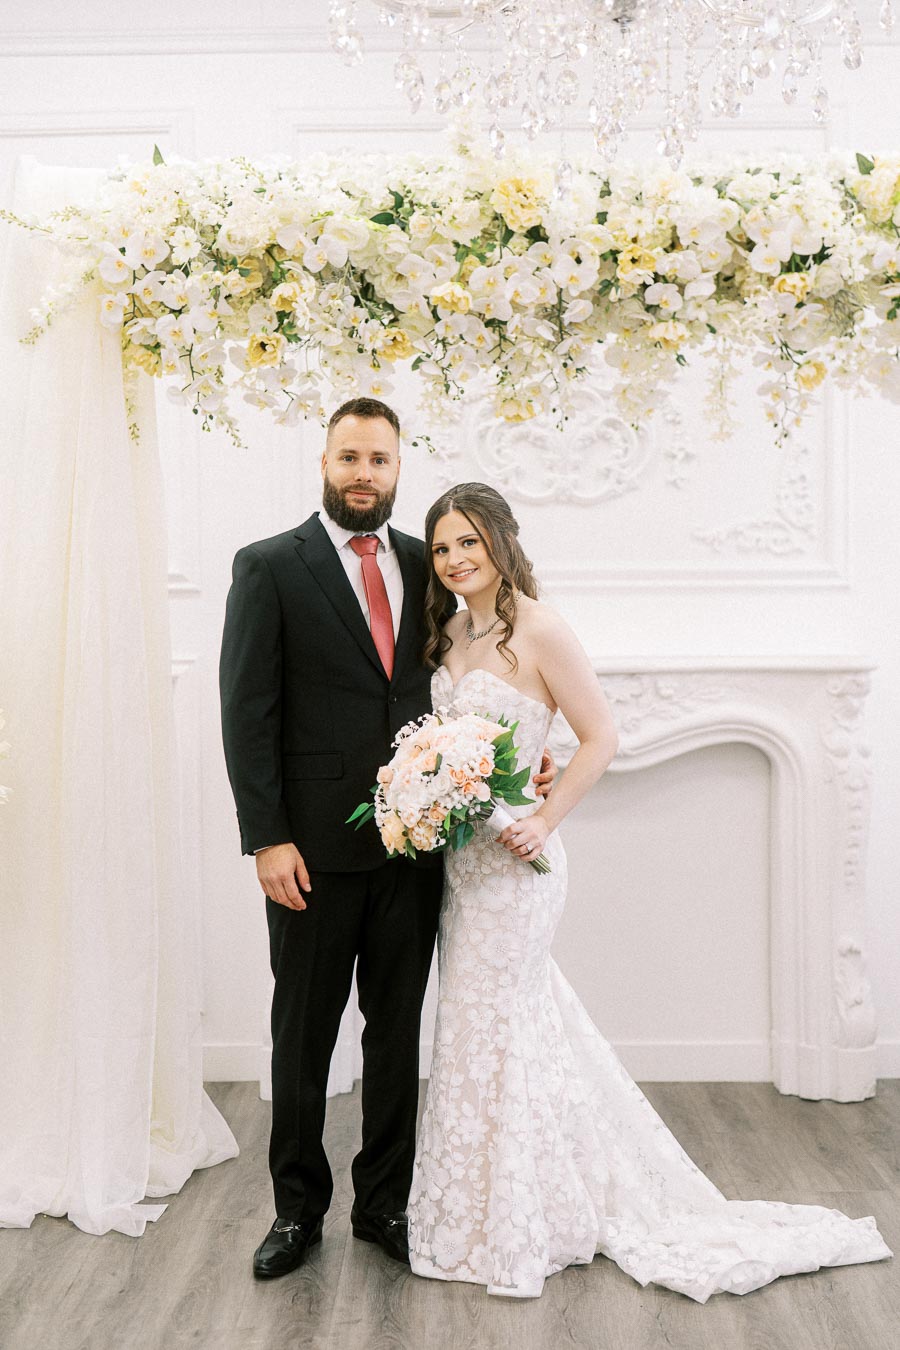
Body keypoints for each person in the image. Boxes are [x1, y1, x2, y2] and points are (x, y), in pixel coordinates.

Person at [407, 481, 892, 1302]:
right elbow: (475, 748)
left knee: (506, 1025)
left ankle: (530, 1216)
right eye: (443, 546)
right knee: (474, 1030)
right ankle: (488, 1206)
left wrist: (545, 820)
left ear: (501, 542)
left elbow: (601, 735)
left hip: (521, 869)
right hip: (465, 869)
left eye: (469, 543)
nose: (455, 559)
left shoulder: (542, 628)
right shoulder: (449, 631)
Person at [218, 402, 554, 1280]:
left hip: (416, 853)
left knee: (396, 1035)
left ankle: (385, 1204)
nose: (364, 472)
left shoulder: (428, 563)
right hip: (312, 858)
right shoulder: (267, 568)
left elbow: (470, 681)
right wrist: (267, 839)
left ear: (398, 467)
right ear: (324, 461)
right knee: (302, 1036)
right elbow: (246, 714)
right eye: (349, 457)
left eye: (380, 459)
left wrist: (525, 764)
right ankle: (296, 1213)